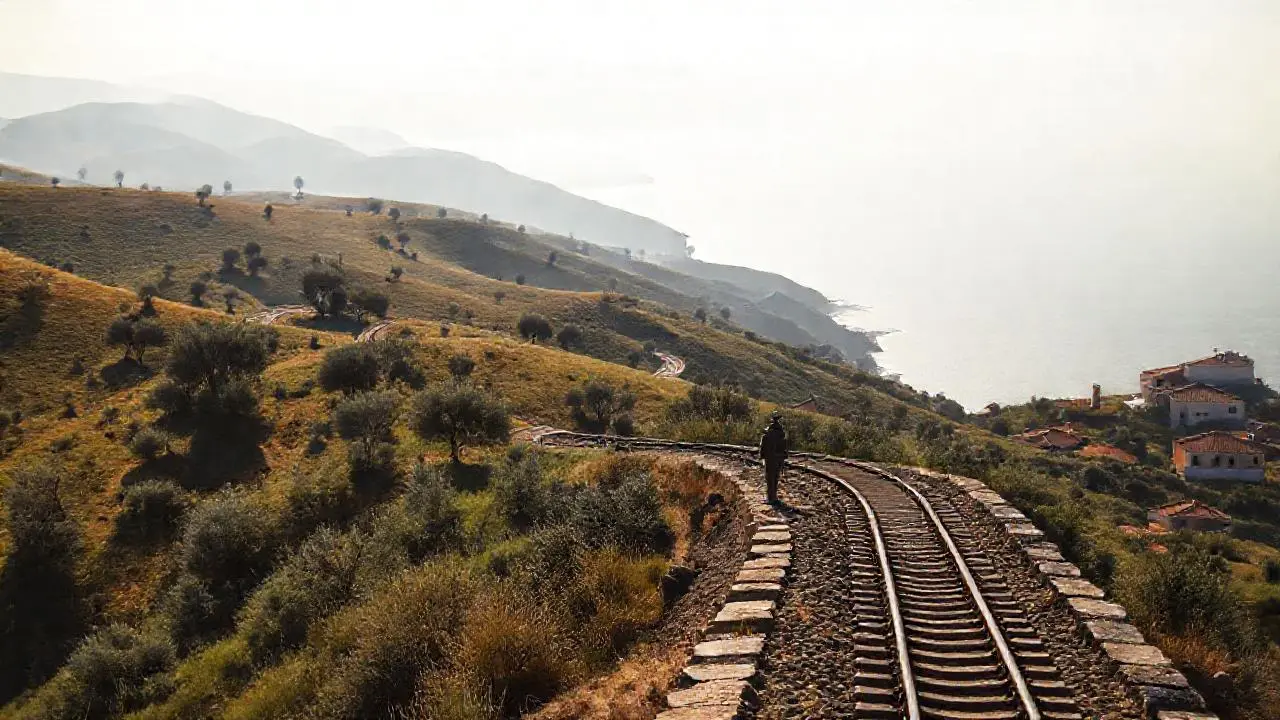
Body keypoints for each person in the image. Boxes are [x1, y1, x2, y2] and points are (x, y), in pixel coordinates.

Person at [759, 411, 787, 503]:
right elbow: (784, 447)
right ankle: (774, 497)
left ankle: (770, 498)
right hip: (779, 458)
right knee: (775, 477)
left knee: (769, 478)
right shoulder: (781, 433)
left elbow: (763, 448)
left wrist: (762, 456)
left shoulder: (767, 434)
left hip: (770, 458)